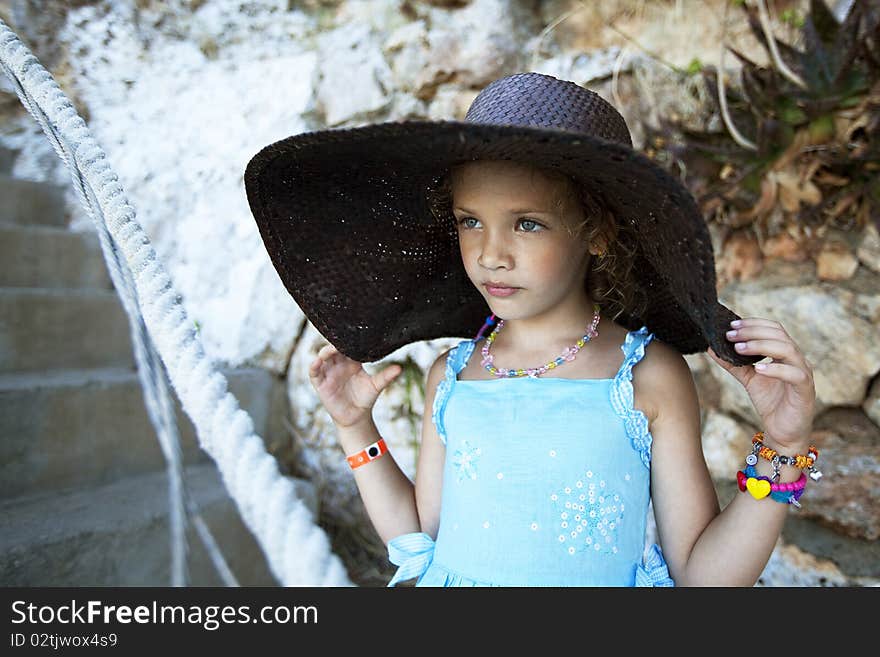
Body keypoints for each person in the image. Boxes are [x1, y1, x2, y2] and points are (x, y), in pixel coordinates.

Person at [244, 72, 820, 586]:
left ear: (596, 234)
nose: (492, 253)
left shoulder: (647, 375)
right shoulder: (454, 375)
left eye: (527, 223)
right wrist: (354, 428)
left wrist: (785, 447)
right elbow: (420, 535)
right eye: (471, 221)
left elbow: (704, 577)